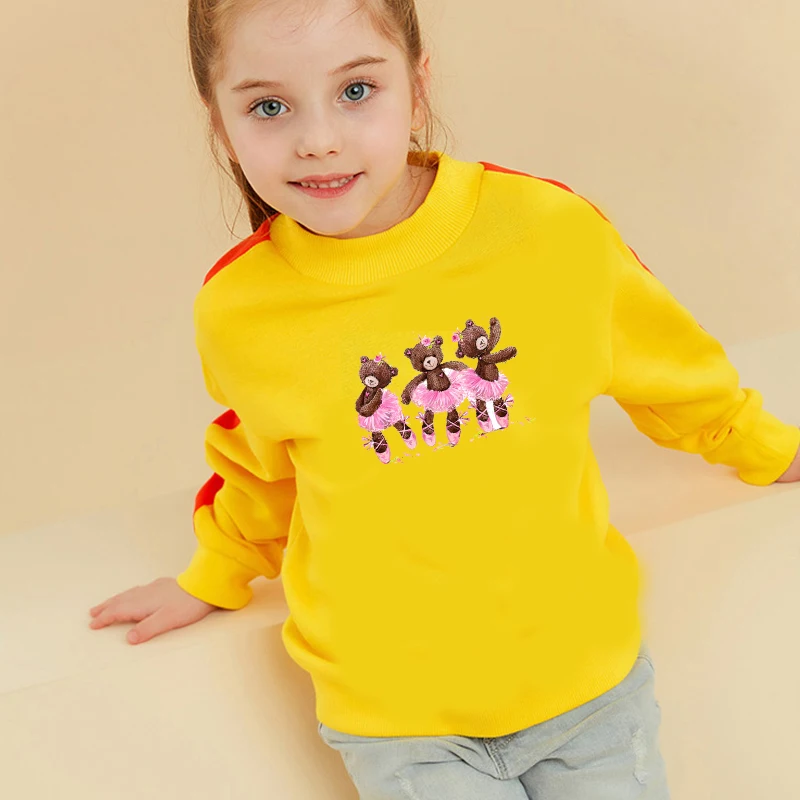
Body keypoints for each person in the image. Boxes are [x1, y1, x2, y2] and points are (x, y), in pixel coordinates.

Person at [88, 0, 800, 797]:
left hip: (587, 689)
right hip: (399, 724)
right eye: (268, 107)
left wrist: (767, 446)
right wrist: (211, 575)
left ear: (418, 89)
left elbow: (670, 367)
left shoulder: (548, 230)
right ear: (219, 122)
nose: (317, 138)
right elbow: (260, 468)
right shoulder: (239, 311)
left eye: (356, 91)